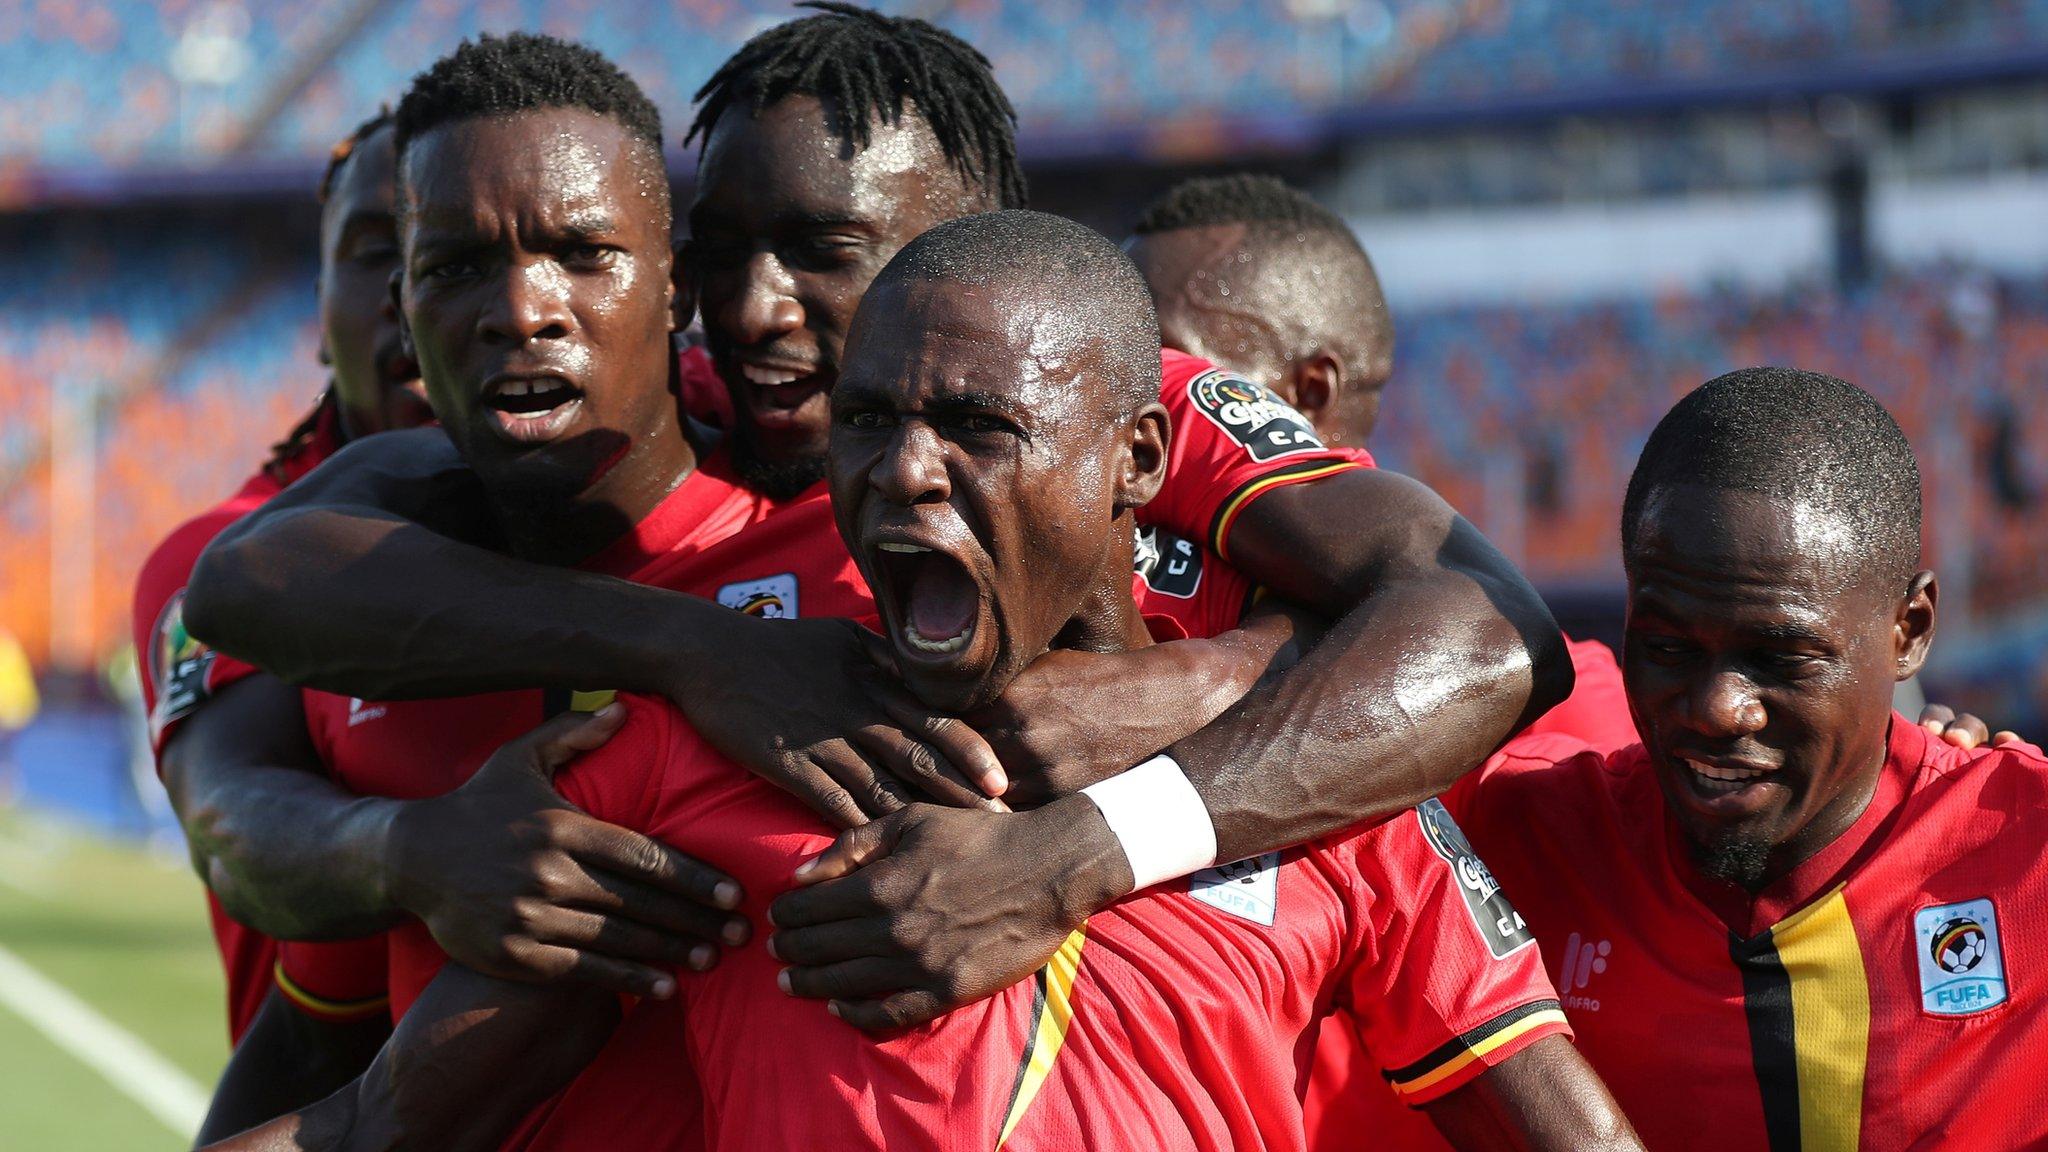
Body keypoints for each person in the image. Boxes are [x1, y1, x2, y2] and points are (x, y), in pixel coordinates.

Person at [186, 3, 1575, 1027]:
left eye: (828, 252)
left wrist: (1179, 702)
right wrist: (692, 649)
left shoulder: (1120, 393)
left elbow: (1490, 627)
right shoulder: (670, 403)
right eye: (722, 255)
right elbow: (253, 577)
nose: (753, 310)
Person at [205, 209, 1639, 1152]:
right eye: (873, 418)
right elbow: (370, 1132)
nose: (900, 470)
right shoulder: (697, 752)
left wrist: (1080, 853)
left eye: (972, 426)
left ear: (1140, 460)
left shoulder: (1326, 777)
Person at [128, 107, 728, 1140]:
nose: (507, 302)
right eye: (401, 256)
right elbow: (235, 827)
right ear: (329, 307)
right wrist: (412, 853)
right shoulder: (223, 560)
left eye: (560, 250)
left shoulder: (722, 449)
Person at [1126, 171, 1637, 1150]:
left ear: (1305, 393)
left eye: (1171, 362)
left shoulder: (1559, 717)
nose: (1133, 395)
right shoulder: (1091, 632)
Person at [1435, 367, 2048, 1149]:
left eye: (1782, 655)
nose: (1718, 709)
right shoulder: (1515, 836)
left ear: (1910, 629)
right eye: (1665, 647)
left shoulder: (2028, 853)